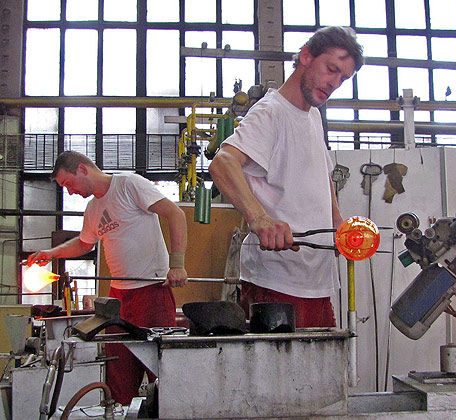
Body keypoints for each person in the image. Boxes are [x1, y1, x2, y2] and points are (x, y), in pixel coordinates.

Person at [209, 26, 364, 328]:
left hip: (316, 281)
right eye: (331, 69)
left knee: (323, 373)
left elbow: (324, 177)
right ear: (306, 56)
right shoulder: (270, 113)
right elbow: (222, 162)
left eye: (343, 78)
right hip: (277, 284)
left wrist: (337, 222)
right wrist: (259, 218)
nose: (334, 83)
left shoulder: (313, 116)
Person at [27, 150, 188, 405]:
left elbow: (175, 214)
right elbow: (83, 244)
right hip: (117, 299)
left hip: (151, 290)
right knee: (119, 372)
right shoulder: (93, 209)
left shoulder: (128, 184)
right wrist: (50, 253)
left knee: (162, 370)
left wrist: (177, 264)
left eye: (68, 184)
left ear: (82, 169)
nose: (69, 192)